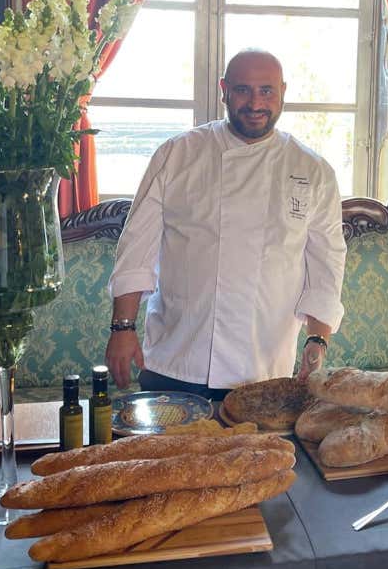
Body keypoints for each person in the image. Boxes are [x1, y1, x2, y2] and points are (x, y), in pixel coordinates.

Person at [104, 49, 346, 400]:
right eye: (243, 90)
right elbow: (135, 250)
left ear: (283, 92)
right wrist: (122, 329)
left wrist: (318, 339)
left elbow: (326, 262)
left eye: (266, 91)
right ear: (224, 90)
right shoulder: (177, 154)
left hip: (263, 364)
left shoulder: (313, 170)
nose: (255, 102)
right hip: (178, 357)